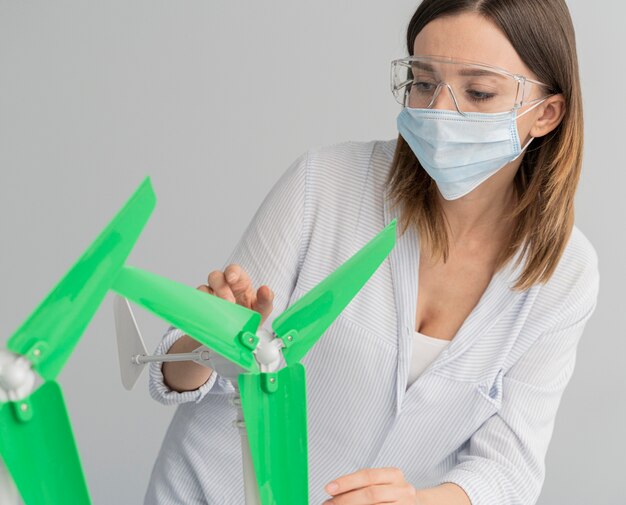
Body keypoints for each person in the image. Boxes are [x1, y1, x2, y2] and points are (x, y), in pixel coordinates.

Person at [144, 1, 600, 504]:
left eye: (479, 92)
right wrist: (208, 337)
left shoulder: (565, 273)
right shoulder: (324, 183)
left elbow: (510, 467)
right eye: (424, 83)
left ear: (547, 113)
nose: (439, 113)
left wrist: (419, 502)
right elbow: (175, 373)